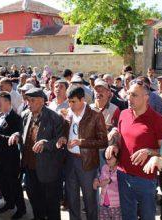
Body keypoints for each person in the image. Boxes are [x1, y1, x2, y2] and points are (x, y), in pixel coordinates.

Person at [105, 79, 162, 220]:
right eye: (128, 94)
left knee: (147, 216)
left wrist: (149, 151)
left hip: (145, 179)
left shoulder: (158, 120)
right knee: (128, 216)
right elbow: (121, 139)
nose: (129, 98)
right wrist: (114, 145)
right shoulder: (124, 114)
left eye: (134, 95)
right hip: (123, 174)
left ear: (146, 97)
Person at [9, 88, 64, 220]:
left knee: (51, 204)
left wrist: (46, 144)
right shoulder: (25, 115)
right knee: (34, 198)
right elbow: (23, 133)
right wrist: (17, 134)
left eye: (32, 100)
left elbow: (60, 141)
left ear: (41, 101)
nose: (28, 103)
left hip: (48, 169)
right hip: (29, 167)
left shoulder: (54, 118)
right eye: (27, 100)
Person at [58, 86, 108, 220]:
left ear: (82, 100)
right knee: (72, 198)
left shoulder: (95, 115)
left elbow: (104, 142)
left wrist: (82, 142)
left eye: (73, 101)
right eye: (69, 101)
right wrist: (63, 138)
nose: (70, 105)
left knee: (89, 199)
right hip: (69, 160)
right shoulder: (68, 113)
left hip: (87, 163)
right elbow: (65, 131)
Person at [0, 92, 26, 219]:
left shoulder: (16, 118)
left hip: (10, 159)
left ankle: (21, 209)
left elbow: (14, 138)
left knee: (14, 184)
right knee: (2, 182)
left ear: (8, 103)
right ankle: (9, 203)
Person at [93, 151, 121, 220]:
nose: (107, 160)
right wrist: (97, 180)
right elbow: (101, 178)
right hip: (103, 203)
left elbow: (109, 181)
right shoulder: (104, 167)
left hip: (116, 204)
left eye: (110, 158)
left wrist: (101, 183)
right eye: (106, 158)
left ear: (117, 158)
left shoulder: (119, 170)